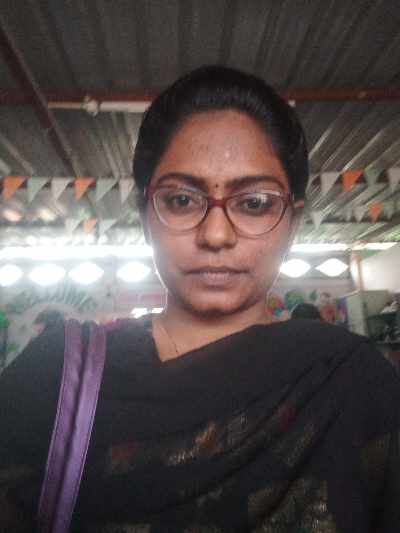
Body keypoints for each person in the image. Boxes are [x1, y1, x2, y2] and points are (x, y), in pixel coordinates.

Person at [1, 66, 399, 533]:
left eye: (254, 203)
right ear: (145, 215)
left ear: (292, 223)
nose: (215, 234)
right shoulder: (59, 374)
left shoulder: (352, 385)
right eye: (181, 200)